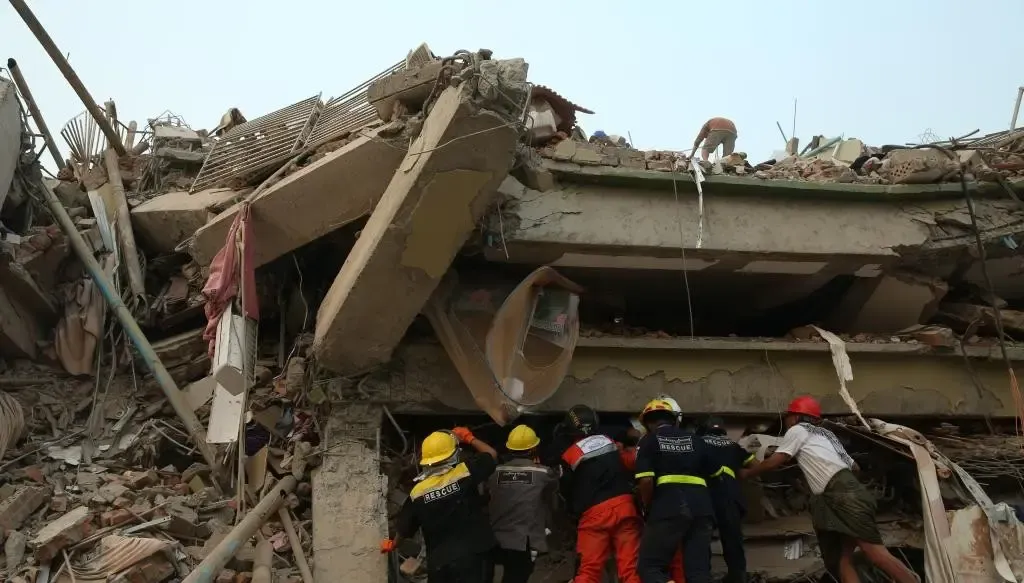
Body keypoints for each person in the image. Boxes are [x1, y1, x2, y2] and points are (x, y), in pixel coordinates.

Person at [740, 397, 919, 583]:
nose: (786, 421)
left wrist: (747, 473)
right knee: (841, 558)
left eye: (788, 417)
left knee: (874, 552)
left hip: (841, 496)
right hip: (844, 492)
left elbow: (774, 462)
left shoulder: (797, 430)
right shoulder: (827, 435)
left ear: (795, 417)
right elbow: (854, 467)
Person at [382, 427, 499, 583]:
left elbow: (403, 529)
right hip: (475, 556)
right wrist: (469, 438)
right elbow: (491, 454)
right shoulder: (465, 472)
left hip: (441, 564)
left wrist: (392, 544)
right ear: (454, 454)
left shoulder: (418, 493)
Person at [635, 399, 719, 583]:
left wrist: (647, 506)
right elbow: (716, 474)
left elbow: (646, 479)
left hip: (668, 506)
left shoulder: (648, 441)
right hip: (702, 508)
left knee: (650, 568)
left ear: (648, 423)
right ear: (675, 419)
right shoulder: (697, 441)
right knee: (699, 572)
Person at [557, 404, 642, 583]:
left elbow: (565, 491)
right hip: (625, 508)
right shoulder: (609, 442)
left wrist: (571, 515)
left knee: (588, 572)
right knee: (630, 570)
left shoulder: (569, 455)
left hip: (594, 517)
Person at [486, 424, 557, 583]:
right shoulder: (543, 472)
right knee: (517, 576)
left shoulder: (495, 472)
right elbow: (553, 490)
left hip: (495, 538)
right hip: (522, 541)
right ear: (534, 449)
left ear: (509, 449)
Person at [699, 417, 754, 583]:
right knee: (732, 538)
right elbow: (754, 464)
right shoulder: (733, 446)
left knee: (702, 536)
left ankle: (703, 575)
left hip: (706, 493)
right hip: (730, 495)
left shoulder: (698, 443)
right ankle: (738, 576)